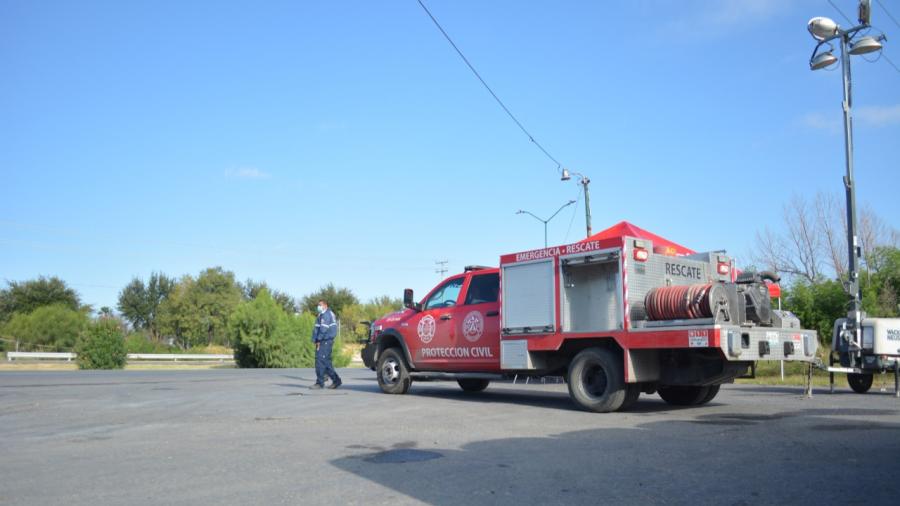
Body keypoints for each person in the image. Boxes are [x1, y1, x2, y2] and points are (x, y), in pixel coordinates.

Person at [310, 299, 342, 389]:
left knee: (320, 361)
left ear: (325, 305)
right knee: (326, 363)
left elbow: (323, 330)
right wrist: (315, 340)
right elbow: (317, 329)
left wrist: (318, 340)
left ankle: (320, 383)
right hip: (324, 341)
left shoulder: (326, 315)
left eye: (320, 305)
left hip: (325, 341)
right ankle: (336, 380)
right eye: (318, 305)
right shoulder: (322, 315)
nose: (318, 307)